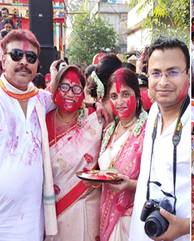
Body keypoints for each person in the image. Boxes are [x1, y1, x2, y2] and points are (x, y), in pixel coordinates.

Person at [129, 37, 190, 241]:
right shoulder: (154, 110)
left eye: (173, 72)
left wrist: (185, 227)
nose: (163, 82)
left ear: (187, 75)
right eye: (156, 73)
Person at [0, 29, 57, 241]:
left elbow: (70, 102)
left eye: (30, 57)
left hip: (32, 221)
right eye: (17, 55)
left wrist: (100, 106)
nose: (24, 62)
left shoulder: (42, 100)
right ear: (3, 58)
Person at [45, 66, 103, 241]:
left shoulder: (94, 118)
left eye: (76, 88)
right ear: (56, 87)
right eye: (64, 87)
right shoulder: (43, 119)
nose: (70, 93)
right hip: (51, 207)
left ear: (83, 92)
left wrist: (99, 104)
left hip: (86, 205)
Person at [96, 68, 147, 241]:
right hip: (105, 213)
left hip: (131, 219)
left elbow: (158, 181)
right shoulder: (110, 129)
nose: (119, 102)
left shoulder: (148, 130)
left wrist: (130, 185)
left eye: (125, 94)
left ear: (137, 95)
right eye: (114, 96)